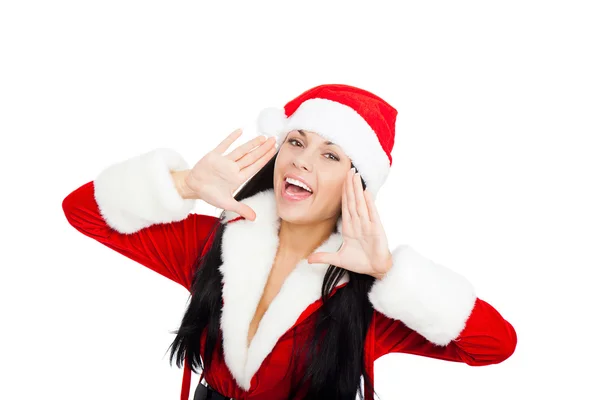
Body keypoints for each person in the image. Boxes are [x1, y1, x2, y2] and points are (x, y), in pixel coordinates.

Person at [62, 84, 517, 400]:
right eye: (295, 142)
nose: (300, 161)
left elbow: (494, 345)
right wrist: (184, 185)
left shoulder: (366, 298)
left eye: (330, 154)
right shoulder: (214, 246)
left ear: (356, 184)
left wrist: (388, 273)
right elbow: (81, 211)